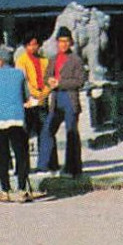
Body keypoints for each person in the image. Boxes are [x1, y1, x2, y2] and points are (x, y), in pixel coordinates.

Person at [0, 45, 32, 202]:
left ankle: (5, 190)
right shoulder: (19, 74)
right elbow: (26, 96)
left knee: (2, 155)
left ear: (0, 61)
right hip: (16, 118)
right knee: (20, 154)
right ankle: (22, 189)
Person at [38, 28, 86, 178]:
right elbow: (46, 76)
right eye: (61, 42)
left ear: (70, 42)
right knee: (47, 130)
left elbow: (80, 81)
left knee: (71, 133)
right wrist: (49, 80)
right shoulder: (53, 59)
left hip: (70, 99)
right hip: (56, 99)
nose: (63, 44)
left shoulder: (76, 59)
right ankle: (47, 165)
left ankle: (73, 168)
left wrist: (60, 83)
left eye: (66, 41)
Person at [15, 34, 49, 162]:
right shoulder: (21, 60)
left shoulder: (44, 60)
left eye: (36, 44)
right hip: (28, 100)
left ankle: (44, 162)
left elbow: (48, 79)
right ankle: (24, 164)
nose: (33, 47)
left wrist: (44, 93)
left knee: (44, 131)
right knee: (26, 133)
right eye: (30, 44)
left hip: (42, 99)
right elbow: (23, 81)